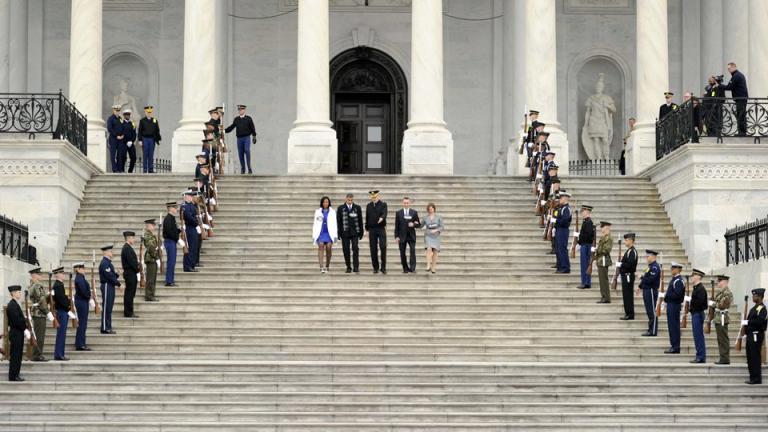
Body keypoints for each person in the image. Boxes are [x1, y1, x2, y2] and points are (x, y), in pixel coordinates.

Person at [27, 267, 52, 362]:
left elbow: (39, 298)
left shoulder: (32, 285)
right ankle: (37, 355)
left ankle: (37, 354)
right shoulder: (37, 285)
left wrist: (47, 295)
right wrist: (47, 312)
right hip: (40, 313)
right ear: (34, 275)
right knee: (39, 336)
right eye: (39, 274)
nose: (41, 275)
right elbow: (41, 301)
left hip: (36, 312)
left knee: (38, 335)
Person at [225, 104, 257, 174]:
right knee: (240, 153)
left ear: (244, 110)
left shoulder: (248, 118)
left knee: (247, 150)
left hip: (246, 138)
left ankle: (249, 167)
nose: (240, 111)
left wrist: (254, 136)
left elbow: (252, 128)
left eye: (241, 110)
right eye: (239, 110)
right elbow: (232, 127)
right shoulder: (236, 119)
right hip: (239, 139)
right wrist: (224, 130)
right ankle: (243, 168)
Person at [336, 193, 364, 273]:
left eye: (351, 200)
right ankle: (348, 267)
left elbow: (360, 220)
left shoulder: (357, 208)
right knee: (346, 250)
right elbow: (339, 221)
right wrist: (338, 233)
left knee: (355, 248)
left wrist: (361, 232)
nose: (350, 201)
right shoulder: (341, 208)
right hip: (345, 232)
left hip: (355, 232)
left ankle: (356, 267)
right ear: (346, 199)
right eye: (348, 200)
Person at [744, 288, 767, 384]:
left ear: (760, 296)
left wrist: (748, 322)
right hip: (750, 334)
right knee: (750, 356)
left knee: (755, 357)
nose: (753, 297)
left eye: (755, 295)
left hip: (756, 335)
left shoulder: (762, 309)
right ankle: (752, 376)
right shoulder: (754, 308)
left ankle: (756, 378)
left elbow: (760, 321)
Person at [719, 62, 749, 136]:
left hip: (740, 98)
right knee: (741, 115)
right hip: (741, 98)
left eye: (730, 68)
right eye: (728, 69)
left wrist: (719, 85)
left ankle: (742, 133)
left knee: (741, 115)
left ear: (734, 67)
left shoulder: (736, 76)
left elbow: (729, 87)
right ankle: (742, 132)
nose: (729, 70)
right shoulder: (737, 75)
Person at [636, 250, 661, 336]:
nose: (647, 258)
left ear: (653, 257)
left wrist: (641, 277)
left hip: (651, 290)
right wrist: (640, 286)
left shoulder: (655, 267)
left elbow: (650, 280)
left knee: (652, 311)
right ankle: (651, 329)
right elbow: (647, 277)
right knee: (649, 310)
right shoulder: (650, 267)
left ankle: (653, 330)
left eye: (648, 256)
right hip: (646, 290)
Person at [98, 243, 121, 334]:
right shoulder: (104, 263)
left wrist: (117, 274)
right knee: (107, 307)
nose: (112, 253)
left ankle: (108, 326)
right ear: (106, 252)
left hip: (110, 285)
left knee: (109, 307)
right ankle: (104, 327)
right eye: (111, 251)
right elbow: (109, 276)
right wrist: (118, 284)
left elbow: (111, 275)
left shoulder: (108, 263)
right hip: (107, 285)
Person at [663, 262, 685, 354]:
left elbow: (677, 295)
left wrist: (667, 296)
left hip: (674, 305)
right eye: (671, 268)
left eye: (673, 268)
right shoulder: (675, 279)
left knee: (674, 326)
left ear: (678, 269)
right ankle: (674, 345)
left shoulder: (678, 281)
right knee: (671, 326)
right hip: (671, 305)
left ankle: (676, 347)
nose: (671, 270)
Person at [312, 196, 338, 273]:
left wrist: (335, 238)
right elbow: (315, 224)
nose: (325, 203)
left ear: (329, 203)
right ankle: (321, 267)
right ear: (322, 203)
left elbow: (335, 224)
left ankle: (327, 265)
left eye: (327, 202)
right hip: (321, 233)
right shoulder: (318, 212)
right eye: (324, 202)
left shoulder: (333, 212)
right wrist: (314, 236)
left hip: (330, 233)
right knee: (320, 246)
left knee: (329, 247)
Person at [394, 197, 420, 274]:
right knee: (402, 252)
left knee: (412, 251)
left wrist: (414, 224)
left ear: (409, 203)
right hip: (402, 236)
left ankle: (412, 268)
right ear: (403, 203)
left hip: (411, 236)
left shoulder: (414, 212)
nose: (406, 204)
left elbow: (418, 224)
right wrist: (396, 236)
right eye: (405, 203)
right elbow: (397, 226)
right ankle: (405, 268)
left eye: (407, 203)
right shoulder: (398, 213)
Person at [6, 285, 26, 381]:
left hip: (18, 332)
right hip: (16, 333)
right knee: (15, 355)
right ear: (13, 293)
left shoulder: (14, 304)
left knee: (17, 355)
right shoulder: (12, 305)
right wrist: (25, 328)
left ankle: (15, 374)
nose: (20, 293)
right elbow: (17, 320)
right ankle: (13, 376)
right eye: (18, 292)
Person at [365, 190, 388, 274]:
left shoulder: (383, 204)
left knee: (383, 247)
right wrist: (367, 229)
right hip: (372, 229)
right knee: (373, 248)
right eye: (372, 197)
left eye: (375, 197)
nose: (373, 199)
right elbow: (367, 218)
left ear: (378, 196)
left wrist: (382, 218)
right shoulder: (369, 205)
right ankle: (375, 267)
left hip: (381, 228)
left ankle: (383, 267)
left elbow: (385, 213)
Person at [712, 275, 733, 365]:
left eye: (720, 281)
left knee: (723, 339)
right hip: (718, 318)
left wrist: (713, 304)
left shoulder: (727, 293)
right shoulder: (721, 292)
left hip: (722, 318)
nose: (718, 282)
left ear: (725, 282)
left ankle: (725, 358)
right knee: (720, 339)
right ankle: (723, 357)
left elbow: (722, 305)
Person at [689, 268, 708, 363]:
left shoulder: (700, 288)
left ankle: (700, 356)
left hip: (697, 313)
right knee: (697, 336)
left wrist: (691, 305)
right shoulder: (697, 288)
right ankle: (700, 355)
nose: (692, 277)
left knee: (698, 336)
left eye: (693, 276)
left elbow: (700, 303)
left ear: (698, 277)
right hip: (695, 313)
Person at [51, 267, 70, 361]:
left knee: (62, 334)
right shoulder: (58, 285)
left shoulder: (60, 284)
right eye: (62, 273)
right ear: (57, 274)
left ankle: (60, 353)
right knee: (61, 334)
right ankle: (59, 354)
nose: (63, 275)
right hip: (62, 311)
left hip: (63, 311)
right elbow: (61, 300)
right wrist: (68, 307)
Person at [72, 262, 92, 351]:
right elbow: (84, 291)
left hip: (82, 301)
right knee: (82, 323)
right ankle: (80, 344)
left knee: (83, 323)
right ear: (78, 269)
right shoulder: (79, 279)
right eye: (82, 268)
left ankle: (80, 342)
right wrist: (89, 296)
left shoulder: (81, 278)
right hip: (81, 302)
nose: (84, 270)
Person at [120, 231, 140, 318]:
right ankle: (128, 312)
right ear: (128, 238)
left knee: (131, 293)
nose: (134, 239)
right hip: (130, 273)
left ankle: (129, 311)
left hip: (131, 273)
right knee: (129, 294)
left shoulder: (128, 248)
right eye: (133, 238)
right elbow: (132, 262)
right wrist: (138, 269)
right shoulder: (126, 248)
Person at [137, 106, 162, 173]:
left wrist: (159, 138)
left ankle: (150, 169)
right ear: (145, 112)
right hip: (145, 139)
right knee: (145, 154)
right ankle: (145, 169)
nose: (149, 113)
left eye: (150, 112)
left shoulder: (154, 120)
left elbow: (157, 131)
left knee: (151, 154)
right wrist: (140, 140)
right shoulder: (142, 121)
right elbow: (140, 131)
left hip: (152, 139)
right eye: (148, 112)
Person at [618, 233, 638, 320]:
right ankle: (628, 313)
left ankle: (630, 314)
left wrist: (621, 264)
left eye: (626, 240)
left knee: (628, 295)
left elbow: (630, 265)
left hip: (628, 276)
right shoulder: (629, 251)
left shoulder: (633, 252)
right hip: (625, 276)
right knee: (626, 295)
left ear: (631, 240)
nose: (625, 242)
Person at [576, 205, 595, 289]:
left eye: (583, 211)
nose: (582, 213)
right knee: (585, 264)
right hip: (585, 245)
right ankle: (586, 282)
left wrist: (580, 241)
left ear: (587, 212)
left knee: (585, 264)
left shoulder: (589, 222)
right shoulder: (586, 222)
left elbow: (588, 236)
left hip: (586, 246)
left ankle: (585, 282)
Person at [422, 203, 443, 274]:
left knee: (435, 252)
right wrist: (415, 224)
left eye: (432, 209)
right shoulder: (425, 217)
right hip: (428, 235)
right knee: (428, 248)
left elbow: (442, 227)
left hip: (436, 236)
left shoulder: (438, 217)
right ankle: (428, 264)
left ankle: (433, 267)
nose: (430, 210)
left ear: (434, 209)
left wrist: (436, 230)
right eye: (429, 209)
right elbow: (421, 225)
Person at [163, 202, 181, 286]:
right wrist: (178, 238)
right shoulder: (168, 219)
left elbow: (173, 231)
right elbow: (169, 232)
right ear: (170, 208)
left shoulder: (171, 218)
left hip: (172, 241)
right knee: (171, 261)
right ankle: (169, 280)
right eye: (174, 208)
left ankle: (171, 279)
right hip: (170, 241)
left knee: (172, 261)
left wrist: (179, 230)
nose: (176, 209)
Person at [553, 192, 572, 274]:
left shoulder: (566, 209)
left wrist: (556, 221)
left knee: (562, 249)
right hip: (559, 230)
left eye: (561, 198)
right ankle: (560, 266)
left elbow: (565, 221)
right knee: (558, 248)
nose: (559, 199)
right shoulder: (562, 208)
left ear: (565, 198)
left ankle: (565, 267)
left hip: (563, 230)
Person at [595, 221, 613, 304]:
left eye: (602, 227)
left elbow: (606, 250)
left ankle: (606, 297)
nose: (601, 228)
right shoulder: (603, 237)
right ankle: (604, 296)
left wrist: (597, 250)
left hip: (604, 260)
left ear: (606, 227)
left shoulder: (608, 238)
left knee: (604, 280)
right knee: (602, 280)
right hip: (600, 260)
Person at [182, 190, 200, 272]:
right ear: (186, 196)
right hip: (189, 228)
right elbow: (188, 217)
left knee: (194, 247)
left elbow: (195, 215)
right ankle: (187, 266)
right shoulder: (184, 206)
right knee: (190, 247)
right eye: (190, 196)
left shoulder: (191, 205)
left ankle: (192, 265)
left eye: (192, 196)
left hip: (193, 228)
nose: (192, 197)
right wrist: (196, 224)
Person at [143, 219, 160, 301]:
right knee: (150, 278)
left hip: (153, 258)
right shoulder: (147, 235)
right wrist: (156, 257)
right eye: (152, 225)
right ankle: (149, 296)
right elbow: (151, 248)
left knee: (153, 278)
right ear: (148, 226)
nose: (154, 226)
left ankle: (151, 294)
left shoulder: (151, 234)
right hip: (151, 259)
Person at [106, 105, 124, 173]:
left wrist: (123, 135)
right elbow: (110, 128)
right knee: (113, 155)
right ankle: (114, 169)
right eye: (117, 111)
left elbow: (123, 127)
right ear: (113, 111)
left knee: (119, 154)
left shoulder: (120, 118)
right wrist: (116, 136)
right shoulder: (110, 119)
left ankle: (119, 169)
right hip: (113, 139)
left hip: (120, 139)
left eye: (119, 110)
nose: (118, 112)